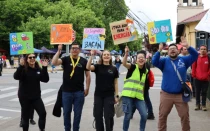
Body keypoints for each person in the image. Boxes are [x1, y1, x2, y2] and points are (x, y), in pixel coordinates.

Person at [152, 37, 198, 131]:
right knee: (162, 116)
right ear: (168, 52)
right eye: (170, 49)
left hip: (180, 95)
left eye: (174, 49)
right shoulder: (164, 61)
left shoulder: (184, 60)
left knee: (185, 117)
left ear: (178, 50)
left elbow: (195, 55)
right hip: (166, 95)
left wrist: (188, 46)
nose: (172, 50)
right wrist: (159, 50)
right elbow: (154, 62)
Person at [52, 42, 91, 131]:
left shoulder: (83, 61)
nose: (74, 50)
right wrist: (58, 51)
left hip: (79, 92)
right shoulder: (65, 59)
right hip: (66, 92)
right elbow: (54, 62)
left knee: (77, 114)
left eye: (76, 48)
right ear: (70, 50)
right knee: (66, 113)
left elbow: (88, 75)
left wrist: (87, 88)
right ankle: (67, 129)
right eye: (72, 48)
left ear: (79, 50)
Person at [13, 54, 49, 131]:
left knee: (43, 114)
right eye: (30, 57)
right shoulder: (23, 69)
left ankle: (42, 129)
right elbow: (16, 76)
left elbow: (45, 79)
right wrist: (21, 66)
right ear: (27, 59)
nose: (32, 59)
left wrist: (45, 68)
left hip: (36, 97)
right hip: (25, 98)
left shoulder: (37, 69)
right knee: (25, 118)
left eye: (33, 57)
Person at [86, 50, 119, 131]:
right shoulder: (97, 66)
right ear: (102, 56)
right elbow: (88, 67)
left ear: (110, 56)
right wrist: (91, 56)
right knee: (98, 115)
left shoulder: (114, 69)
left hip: (109, 96)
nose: (106, 56)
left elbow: (115, 83)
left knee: (108, 116)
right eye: (104, 55)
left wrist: (117, 95)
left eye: (108, 54)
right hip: (98, 95)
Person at [121, 46, 149, 131]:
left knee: (144, 115)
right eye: (139, 58)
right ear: (136, 60)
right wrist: (126, 54)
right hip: (128, 95)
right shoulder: (132, 67)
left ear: (145, 59)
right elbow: (124, 63)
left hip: (139, 97)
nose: (141, 59)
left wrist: (143, 97)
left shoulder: (146, 71)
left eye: (142, 58)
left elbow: (143, 85)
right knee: (128, 115)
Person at [192, 45, 210, 111]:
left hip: (206, 79)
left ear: (207, 51)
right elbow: (193, 67)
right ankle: (197, 105)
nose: (203, 50)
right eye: (201, 49)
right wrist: (194, 75)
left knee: (204, 92)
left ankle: (203, 105)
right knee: (197, 92)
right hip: (197, 78)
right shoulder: (196, 58)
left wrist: (208, 75)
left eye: (204, 49)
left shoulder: (208, 58)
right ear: (199, 50)